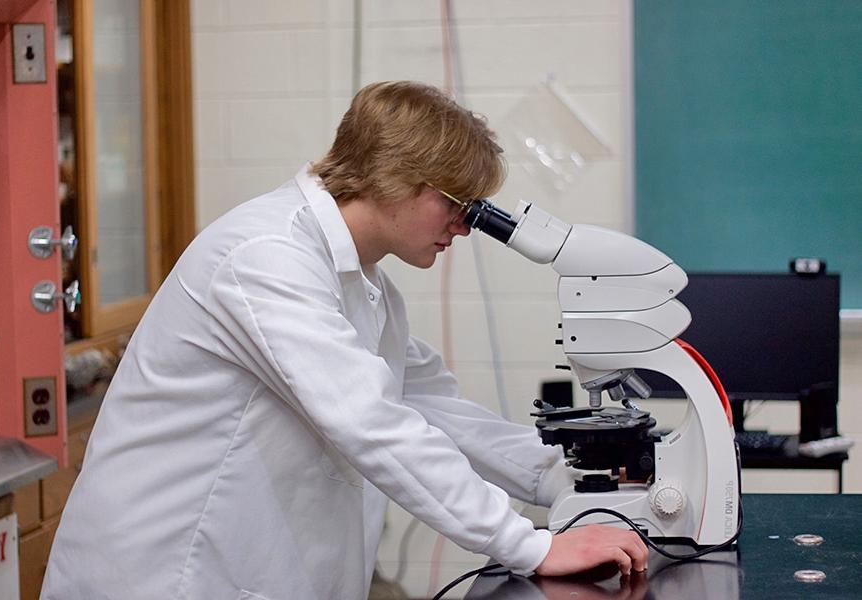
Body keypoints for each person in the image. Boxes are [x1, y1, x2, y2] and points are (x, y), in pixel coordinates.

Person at [41, 81, 647, 600]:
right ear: (398, 178)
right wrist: (530, 546)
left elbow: (433, 409)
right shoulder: (267, 258)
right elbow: (373, 421)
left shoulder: (365, 285)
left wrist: (558, 478)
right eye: (458, 205)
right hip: (167, 575)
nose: (464, 227)